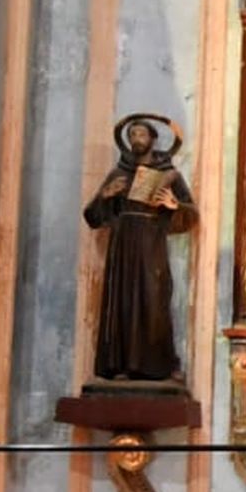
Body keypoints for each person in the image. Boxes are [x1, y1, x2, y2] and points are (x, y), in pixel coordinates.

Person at [83, 115, 197, 383]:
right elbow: (92, 217)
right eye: (132, 135)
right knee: (122, 302)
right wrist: (105, 195)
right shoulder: (119, 173)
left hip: (151, 245)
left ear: (153, 140)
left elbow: (191, 215)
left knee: (154, 300)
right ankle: (120, 365)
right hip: (122, 246)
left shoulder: (169, 174)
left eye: (142, 135)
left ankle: (158, 366)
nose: (136, 139)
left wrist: (174, 206)